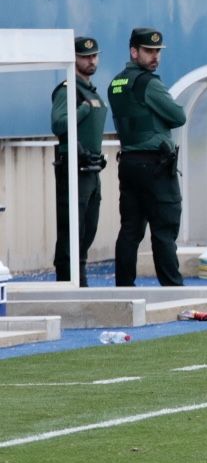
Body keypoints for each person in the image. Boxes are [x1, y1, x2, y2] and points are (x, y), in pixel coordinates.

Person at [108, 28, 186, 287]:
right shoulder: (149, 83)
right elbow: (178, 116)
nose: (155, 57)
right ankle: (173, 289)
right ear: (134, 51)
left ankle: (124, 289)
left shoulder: (115, 84)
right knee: (164, 230)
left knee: (130, 230)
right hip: (154, 165)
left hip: (129, 163)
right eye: (149, 51)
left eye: (157, 52)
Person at [52, 35, 108, 284]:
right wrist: (83, 109)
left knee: (88, 229)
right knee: (71, 229)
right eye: (85, 56)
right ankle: (69, 280)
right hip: (74, 168)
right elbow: (58, 124)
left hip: (91, 169)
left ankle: (79, 278)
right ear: (73, 58)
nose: (91, 60)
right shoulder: (68, 90)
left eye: (94, 55)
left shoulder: (89, 90)